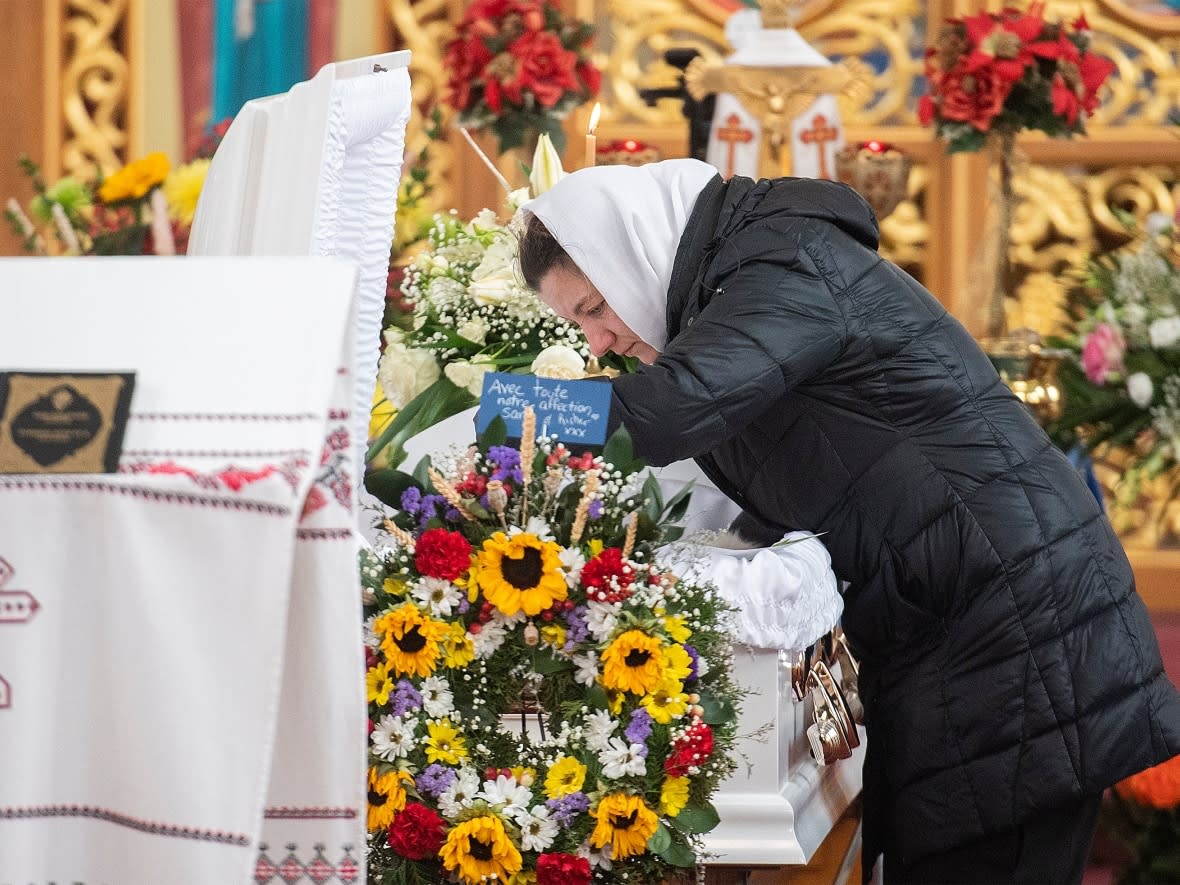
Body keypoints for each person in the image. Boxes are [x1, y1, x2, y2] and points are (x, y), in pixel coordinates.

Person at [517, 159, 1180, 883]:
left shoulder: (782, 264)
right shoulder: (738, 279)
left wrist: (503, 415)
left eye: (590, 308)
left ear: (630, 253)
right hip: (969, 626)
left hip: (1017, 631)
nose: (597, 342)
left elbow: (675, 408)